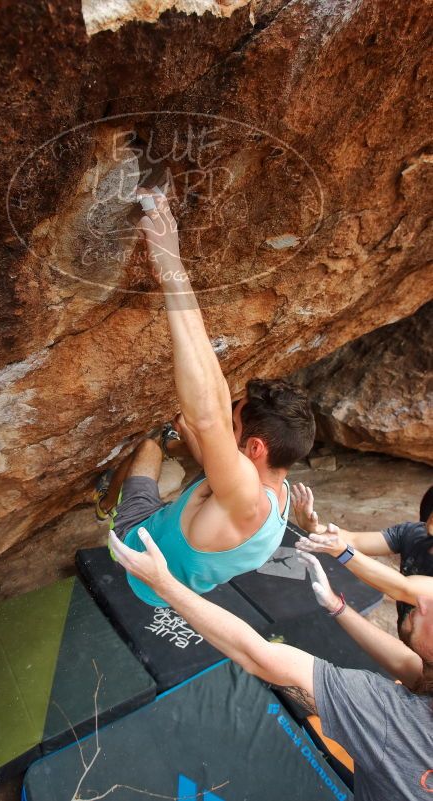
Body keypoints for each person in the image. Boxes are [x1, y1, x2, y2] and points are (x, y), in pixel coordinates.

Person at [95, 186, 316, 606]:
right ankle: (122, 487)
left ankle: (108, 506)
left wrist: (170, 265)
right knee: (186, 451)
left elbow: (208, 419)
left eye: (235, 424)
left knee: (148, 445)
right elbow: (216, 450)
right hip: (181, 582)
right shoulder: (279, 495)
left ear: (254, 446)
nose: (225, 424)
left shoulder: (245, 498)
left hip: (141, 563)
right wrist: (200, 440)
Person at [109, 526, 433, 801]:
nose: (422, 597)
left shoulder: (395, 720)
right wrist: (337, 607)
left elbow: (258, 655)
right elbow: (409, 664)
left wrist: (164, 584)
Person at [292, 483, 433, 631]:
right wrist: (314, 528)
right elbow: (355, 540)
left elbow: (403, 588)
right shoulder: (414, 533)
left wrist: (342, 552)